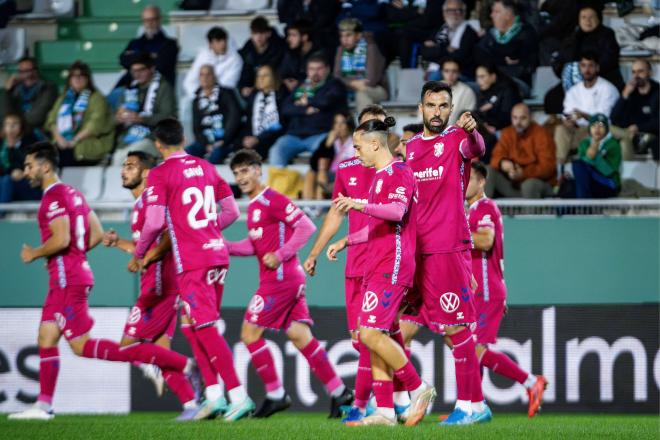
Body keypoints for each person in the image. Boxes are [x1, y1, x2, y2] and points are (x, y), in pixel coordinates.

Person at [134, 118, 255, 422]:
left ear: (159, 145)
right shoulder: (206, 166)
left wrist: (140, 251)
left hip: (193, 262)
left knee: (206, 328)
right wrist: (208, 230)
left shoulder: (161, 173)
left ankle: (239, 396)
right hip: (217, 254)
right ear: (184, 137)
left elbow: (153, 223)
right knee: (194, 326)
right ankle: (213, 396)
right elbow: (232, 211)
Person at [227, 149, 353, 419]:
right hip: (286, 279)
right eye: (237, 173)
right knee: (300, 337)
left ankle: (275, 394)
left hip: (280, 280)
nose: (241, 177)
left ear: (259, 170)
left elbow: (306, 226)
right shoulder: (254, 206)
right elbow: (255, 246)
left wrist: (281, 254)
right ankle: (340, 391)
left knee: (249, 334)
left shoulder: (272, 199)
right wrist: (224, 247)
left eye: (246, 170)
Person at [327, 118, 435, 427]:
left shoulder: (399, 172)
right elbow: (377, 227)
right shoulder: (377, 178)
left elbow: (396, 212)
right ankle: (386, 411)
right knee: (375, 336)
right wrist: (347, 240)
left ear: (376, 144)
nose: (356, 152)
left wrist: (359, 204)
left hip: (393, 265)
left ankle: (419, 388)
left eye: (359, 147)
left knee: (371, 334)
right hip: (376, 264)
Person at [7, 143, 127, 420]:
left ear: (45, 166)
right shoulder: (73, 194)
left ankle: (144, 358)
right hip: (68, 276)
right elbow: (95, 233)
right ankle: (44, 405)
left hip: (65, 280)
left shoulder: (53, 197)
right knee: (46, 337)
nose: (26, 172)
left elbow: (61, 240)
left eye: (29, 166)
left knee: (80, 346)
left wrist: (34, 253)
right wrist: (76, 256)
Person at [304, 106, 405, 424]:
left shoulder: (396, 168)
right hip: (356, 266)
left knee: (376, 335)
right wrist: (315, 251)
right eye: (362, 128)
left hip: (387, 260)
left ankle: (379, 402)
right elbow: (336, 213)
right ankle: (393, 402)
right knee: (368, 338)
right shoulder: (348, 168)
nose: (364, 135)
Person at [401, 81, 489, 425]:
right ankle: (395, 402)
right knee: (404, 326)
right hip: (418, 250)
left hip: (447, 246)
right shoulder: (410, 149)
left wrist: (473, 130)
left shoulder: (456, 139)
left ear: (450, 110)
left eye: (442, 106)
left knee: (457, 327)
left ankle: (470, 406)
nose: (436, 112)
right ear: (421, 108)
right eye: (431, 105)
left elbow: (477, 147)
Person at [100, 151, 203, 420]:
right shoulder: (140, 207)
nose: (124, 170)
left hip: (158, 288)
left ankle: (190, 366)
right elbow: (145, 247)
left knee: (128, 347)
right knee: (159, 352)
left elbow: (170, 236)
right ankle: (192, 405)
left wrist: (144, 257)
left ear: (146, 173)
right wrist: (120, 243)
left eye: (131, 166)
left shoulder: (151, 202)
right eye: (123, 166)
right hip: (161, 285)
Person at [466, 161, 548, 418]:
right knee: (470, 349)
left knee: (474, 350)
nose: (463, 184)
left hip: (487, 289)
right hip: (478, 289)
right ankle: (471, 407)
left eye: (469, 179)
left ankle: (530, 382)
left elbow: (486, 240)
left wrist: (455, 237)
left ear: (482, 182)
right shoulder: (468, 211)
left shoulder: (486, 207)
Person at [268, 54, 347, 168]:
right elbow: (286, 108)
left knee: (322, 155)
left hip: (320, 135)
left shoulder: (335, 85)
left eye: (319, 68)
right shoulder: (301, 86)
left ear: (327, 69)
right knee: (276, 150)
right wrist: (306, 110)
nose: (315, 72)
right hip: (294, 136)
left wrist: (306, 102)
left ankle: (317, 183)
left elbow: (325, 102)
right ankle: (279, 185)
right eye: (311, 69)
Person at [45, 61, 114, 167]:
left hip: (88, 143)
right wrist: (59, 138)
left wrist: (73, 140)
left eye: (81, 75)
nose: (77, 79)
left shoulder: (97, 98)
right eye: (73, 76)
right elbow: (51, 120)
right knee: (45, 156)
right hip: (63, 144)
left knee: (60, 158)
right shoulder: (64, 98)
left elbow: (95, 125)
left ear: (88, 78)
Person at [554, 52, 619, 165]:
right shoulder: (573, 91)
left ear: (597, 68)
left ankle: (583, 165)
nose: (587, 70)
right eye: (583, 66)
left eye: (590, 65)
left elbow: (603, 121)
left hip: (599, 132)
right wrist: (568, 122)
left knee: (593, 132)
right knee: (560, 130)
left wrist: (584, 115)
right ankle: (560, 170)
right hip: (577, 131)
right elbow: (567, 114)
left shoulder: (607, 89)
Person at [114, 53, 177, 165]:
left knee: (121, 158)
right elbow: (115, 115)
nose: (137, 74)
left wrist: (142, 119)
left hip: (155, 139)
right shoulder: (130, 89)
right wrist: (118, 118)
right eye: (134, 71)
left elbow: (169, 118)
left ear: (152, 68)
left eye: (141, 70)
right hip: (129, 137)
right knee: (119, 155)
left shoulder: (163, 87)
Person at [487, 103, 556, 198]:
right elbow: (495, 157)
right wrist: (502, 163)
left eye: (523, 118)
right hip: (513, 183)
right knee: (487, 171)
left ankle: (529, 213)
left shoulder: (542, 134)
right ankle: (481, 210)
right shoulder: (507, 133)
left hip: (538, 184)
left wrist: (523, 173)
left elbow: (547, 167)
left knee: (529, 185)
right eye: (515, 118)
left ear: (531, 118)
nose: (518, 122)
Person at [554, 4, 624, 91]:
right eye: (583, 17)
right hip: (575, 82)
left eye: (591, 17)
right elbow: (560, 62)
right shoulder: (572, 37)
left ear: (598, 19)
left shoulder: (607, 34)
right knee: (552, 97)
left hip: (602, 79)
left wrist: (587, 71)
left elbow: (609, 60)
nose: (588, 21)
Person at [474, 0, 538, 95]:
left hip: (517, 82)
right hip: (488, 80)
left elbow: (519, 58)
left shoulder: (526, 33)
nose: (492, 15)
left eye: (496, 12)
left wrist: (495, 55)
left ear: (508, 15)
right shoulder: (490, 34)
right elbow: (479, 55)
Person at [185, 65, 242, 164]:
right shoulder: (196, 100)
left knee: (216, 155)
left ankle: (210, 179)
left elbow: (234, 118)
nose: (205, 78)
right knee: (187, 154)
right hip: (205, 142)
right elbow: (196, 127)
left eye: (208, 74)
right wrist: (206, 144)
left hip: (225, 141)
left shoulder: (226, 93)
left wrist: (224, 140)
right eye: (202, 75)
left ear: (214, 77)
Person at [116, 6, 179, 88]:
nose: (149, 23)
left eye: (153, 19)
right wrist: (150, 56)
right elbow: (122, 60)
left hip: (158, 87)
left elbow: (161, 65)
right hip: (130, 85)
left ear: (159, 20)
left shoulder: (170, 44)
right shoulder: (135, 42)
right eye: (146, 20)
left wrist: (135, 55)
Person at [333, 18, 388, 112]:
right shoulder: (340, 49)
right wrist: (351, 83)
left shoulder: (371, 47)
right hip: (349, 88)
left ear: (358, 35)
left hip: (376, 90)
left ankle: (365, 126)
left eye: (348, 35)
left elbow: (371, 80)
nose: (344, 39)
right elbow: (336, 76)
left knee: (361, 93)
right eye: (341, 36)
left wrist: (347, 81)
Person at [610, 60, 659, 160]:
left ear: (650, 73)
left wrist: (638, 127)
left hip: (649, 133)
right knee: (606, 128)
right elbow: (614, 118)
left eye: (640, 71)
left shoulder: (657, 92)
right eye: (633, 72)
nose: (636, 76)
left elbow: (658, 122)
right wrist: (624, 95)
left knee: (624, 141)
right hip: (628, 133)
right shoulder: (629, 90)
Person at [474, 62, 521, 163]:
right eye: (478, 77)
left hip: (505, 130)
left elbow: (508, 117)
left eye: (482, 77)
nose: (479, 81)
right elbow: (478, 114)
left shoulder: (508, 90)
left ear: (493, 76)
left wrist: (492, 125)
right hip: (488, 130)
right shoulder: (483, 92)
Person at [421, 0, 479, 81]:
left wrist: (436, 50)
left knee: (434, 77)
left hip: (462, 73)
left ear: (464, 13)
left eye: (458, 10)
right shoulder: (439, 30)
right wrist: (446, 49)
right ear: (444, 13)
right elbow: (425, 52)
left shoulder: (469, 32)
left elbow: (460, 57)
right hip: (442, 71)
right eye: (450, 10)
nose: (454, 13)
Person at [304, 111, 355, 200]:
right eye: (336, 123)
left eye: (342, 123)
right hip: (330, 173)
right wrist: (327, 144)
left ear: (349, 125)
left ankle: (318, 208)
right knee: (311, 173)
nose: (339, 127)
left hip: (347, 174)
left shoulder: (354, 141)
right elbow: (313, 163)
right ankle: (308, 206)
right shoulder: (331, 141)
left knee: (322, 172)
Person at [240, 65, 287, 160]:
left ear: (274, 78)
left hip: (275, 137)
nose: (261, 79)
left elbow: (283, 124)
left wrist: (259, 138)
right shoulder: (253, 97)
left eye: (265, 76)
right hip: (255, 138)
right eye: (259, 76)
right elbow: (249, 122)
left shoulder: (282, 95)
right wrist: (247, 137)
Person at [5, 56, 57, 139]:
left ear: (36, 71)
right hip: (16, 134)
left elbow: (38, 116)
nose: (26, 75)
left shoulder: (47, 87)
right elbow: (7, 113)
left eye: (28, 71)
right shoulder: (16, 89)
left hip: (38, 134)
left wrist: (16, 125)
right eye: (22, 71)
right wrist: (7, 92)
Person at [183, 26, 243, 98]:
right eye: (218, 41)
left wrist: (210, 97)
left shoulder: (235, 59)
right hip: (201, 96)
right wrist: (199, 98)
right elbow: (190, 81)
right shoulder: (203, 56)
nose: (223, 43)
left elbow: (228, 84)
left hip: (224, 98)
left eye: (224, 40)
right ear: (210, 44)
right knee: (185, 103)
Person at [572, 113, 621, 198]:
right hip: (589, 181)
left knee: (579, 166)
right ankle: (582, 203)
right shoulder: (585, 143)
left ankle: (583, 205)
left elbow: (608, 171)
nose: (597, 129)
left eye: (601, 126)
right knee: (570, 186)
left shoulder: (613, 144)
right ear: (589, 129)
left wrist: (595, 149)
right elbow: (585, 162)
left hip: (607, 183)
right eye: (594, 126)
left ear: (606, 129)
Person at [238, 16, 287, 98]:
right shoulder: (248, 50)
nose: (258, 37)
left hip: (276, 89)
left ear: (268, 34)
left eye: (261, 33)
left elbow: (282, 73)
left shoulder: (279, 48)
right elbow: (245, 73)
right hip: (255, 90)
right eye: (255, 33)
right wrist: (244, 87)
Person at [0, 113, 40, 205]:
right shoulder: (1, 144)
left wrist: (12, 149)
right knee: (5, 180)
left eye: (15, 124)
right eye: (8, 124)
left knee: (6, 180)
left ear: (22, 126)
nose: (11, 127)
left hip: (27, 183)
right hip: (6, 182)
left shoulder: (30, 143)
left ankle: (1, 215)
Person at [279, 20, 319, 93]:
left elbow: (320, 80)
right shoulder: (290, 53)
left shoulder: (319, 54)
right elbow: (282, 74)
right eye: (289, 35)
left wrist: (299, 84)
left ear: (305, 37)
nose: (289, 39)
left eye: (293, 35)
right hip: (290, 93)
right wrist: (287, 82)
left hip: (312, 93)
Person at [439, 58, 477, 125]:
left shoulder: (467, 92)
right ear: (442, 72)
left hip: (456, 132)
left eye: (454, 71)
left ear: (459, 73)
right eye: (446, 71)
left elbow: (469, 120)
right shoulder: (432, 88)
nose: (450, 74)